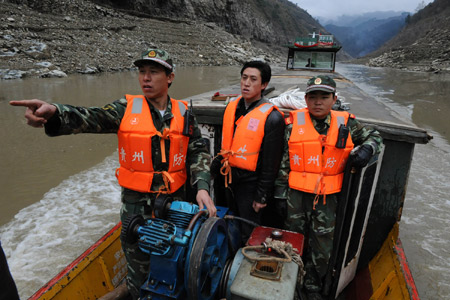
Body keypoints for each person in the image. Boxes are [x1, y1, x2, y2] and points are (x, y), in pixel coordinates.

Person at [9, 48, 216, 299]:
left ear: (170, 77)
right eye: (142, 72)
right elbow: (92, 117)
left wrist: (202, 186)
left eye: (153, 72)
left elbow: (197, 150)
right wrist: (55, 112)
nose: (146, 78)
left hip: (176, 207)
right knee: (141, 277)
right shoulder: (126, 108)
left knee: (176, 263)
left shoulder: (184, 112)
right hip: (138, 212)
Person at [274, 75, 383, 299]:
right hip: (296, 198)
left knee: (322, 248)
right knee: (293, 242)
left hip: (328, 199)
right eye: (313, 97)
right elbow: (284, 161)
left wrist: (367, 149)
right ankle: (290, 284)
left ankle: (313, 288)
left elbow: (375, 136)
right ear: (305, 99)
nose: (318, 102)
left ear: (333, 99)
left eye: (324, 97)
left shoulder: (347, 123)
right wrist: (279, 195)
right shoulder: (293, 124)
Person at [211, 60, 286, 243]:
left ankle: (245, 259)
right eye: (244, 78)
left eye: (253, 79)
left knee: (249, 228)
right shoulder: (233, 107)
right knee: (228, 219)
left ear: (264, 85)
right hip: (229, 178)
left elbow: (271, 163)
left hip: (251, 185)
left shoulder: (272, 118)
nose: (246, 83)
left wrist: (261, 196)